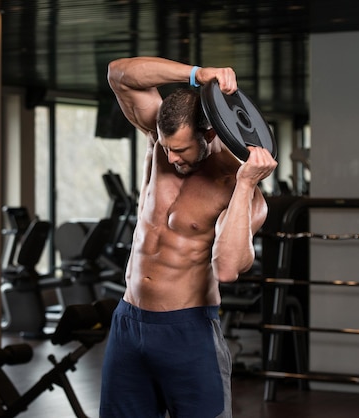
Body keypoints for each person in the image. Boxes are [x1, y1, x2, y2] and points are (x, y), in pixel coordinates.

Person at [99, 57, 278, 418]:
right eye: (166, 147)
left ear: (209, 133)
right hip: (128, 324)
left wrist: (246, 183)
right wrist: (197, 75)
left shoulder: (236, 188)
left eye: (180, 149)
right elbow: (119, 74)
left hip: (187, 331)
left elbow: (227, 269)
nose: (170, 157)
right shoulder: (159, 143)